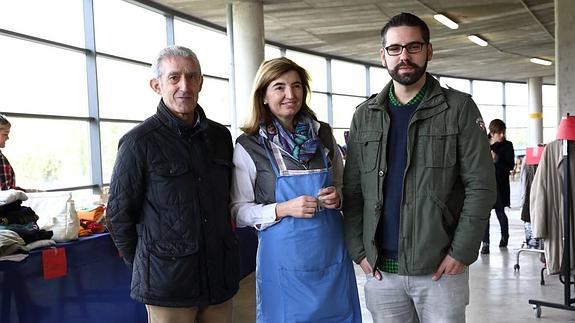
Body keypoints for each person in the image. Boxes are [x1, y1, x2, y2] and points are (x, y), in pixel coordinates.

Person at [342, 12, 497, 323]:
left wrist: (461, 252)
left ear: (429, 50)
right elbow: (354, 189)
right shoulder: (365, 115)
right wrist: (358, 251)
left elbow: (481, 185)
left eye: (413, 47)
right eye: (395, 49)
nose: (404, 56)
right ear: (382, 55)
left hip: (440, 268)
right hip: (381, 271)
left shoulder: (459, 109)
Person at [106, 45, 239, 323]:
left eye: (192, 77)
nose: (185, 86)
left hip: (218, 280)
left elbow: (229, 200)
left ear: (201, 82)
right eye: (174, 78)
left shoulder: (219, 137)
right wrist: (150, 266)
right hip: (167, 287)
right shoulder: (138, 142)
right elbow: (119, 216)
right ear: (157, 85)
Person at [230, 57, 361, 322]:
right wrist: (282, 209)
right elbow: (237, 211)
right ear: (263, 96)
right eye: (279, 87)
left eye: (297, 86)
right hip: (283, 264)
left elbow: (343, 186)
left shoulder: (322, 133)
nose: (290, 94)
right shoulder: (249, 145)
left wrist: (338, 197)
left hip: (331, 256)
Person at [480, 119, 515, 254]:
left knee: (501, 213)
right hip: (485, 184)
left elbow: (510, 166)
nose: (502, 135)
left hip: (500, 185)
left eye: (503, 132)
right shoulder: (482, 143)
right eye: (499, 133)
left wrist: (496, 160)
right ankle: (485, 243)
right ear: (492, 133)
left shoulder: (507, 145)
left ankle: (504, 238)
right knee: (485, 216)